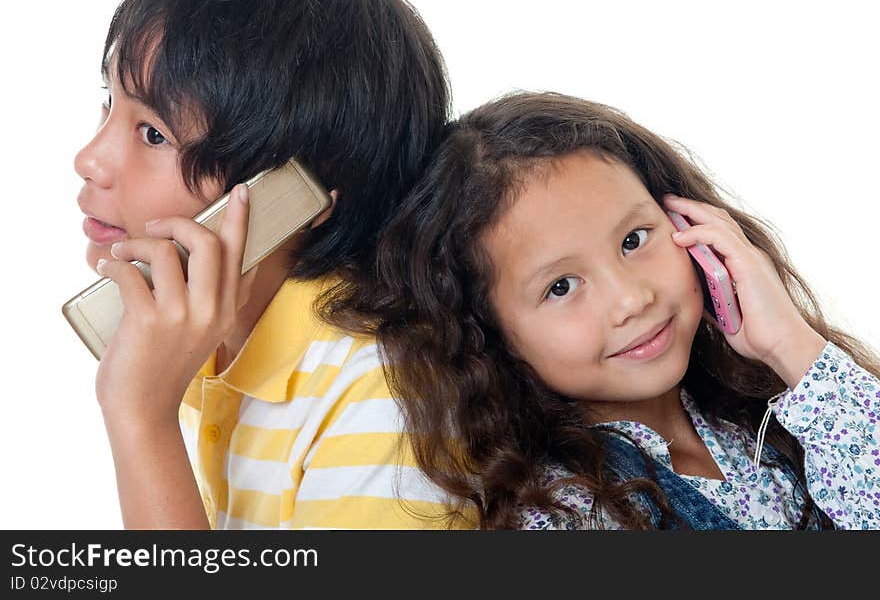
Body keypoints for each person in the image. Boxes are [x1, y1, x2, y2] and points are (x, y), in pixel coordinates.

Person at [351, 91, 880, 529]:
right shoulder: (567, 515)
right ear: (490, 333)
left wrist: (792, 346)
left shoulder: (763, 416)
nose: (631, 299)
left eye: (634, 239)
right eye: (561, 286)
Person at [74, 0, 469, 529]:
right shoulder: (204, 340)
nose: (90, 160)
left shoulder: (387, 402)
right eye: (109, 102)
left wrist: (140, 418)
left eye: (153, 134)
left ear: (299, 189)